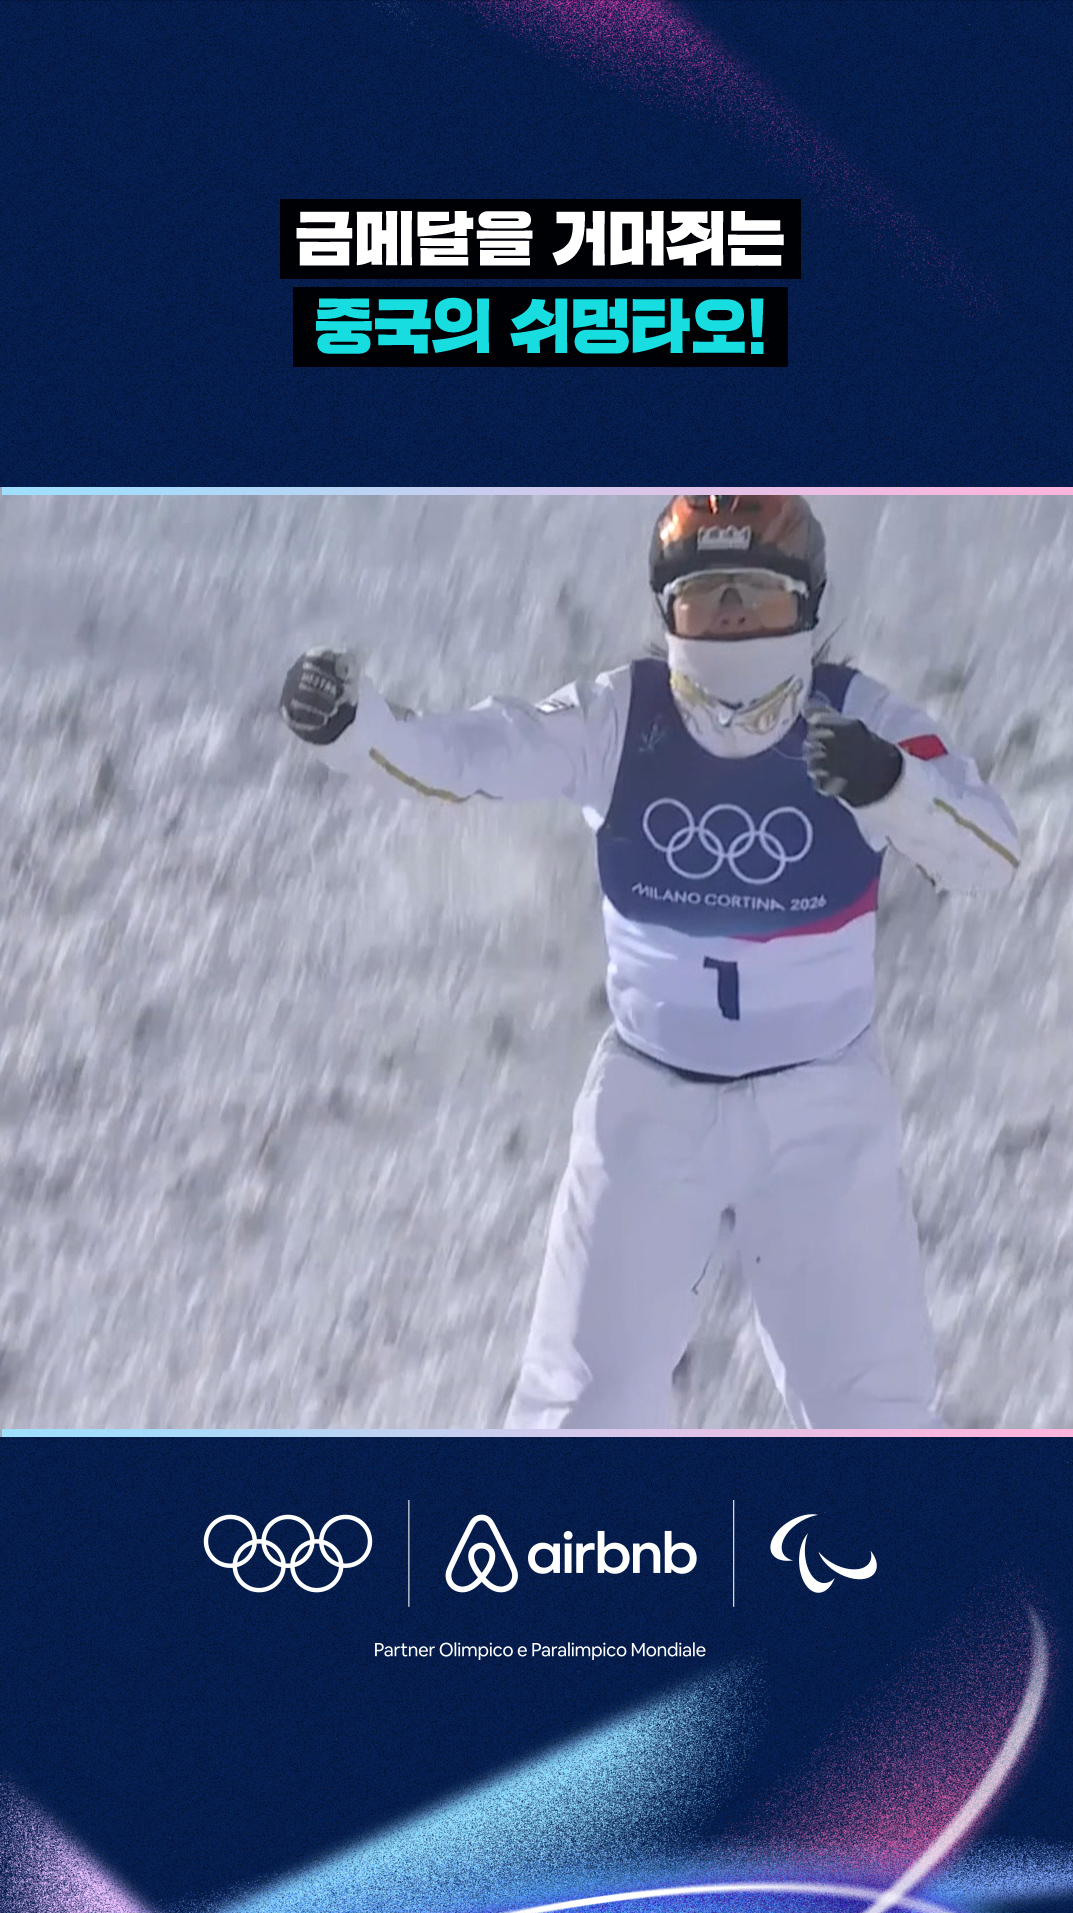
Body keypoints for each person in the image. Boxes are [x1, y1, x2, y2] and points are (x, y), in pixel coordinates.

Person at [279, 495, 1020, 1430]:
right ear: (668, 609)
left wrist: (893, 785)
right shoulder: (620, 717)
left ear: (808, 604)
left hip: (821, 1111)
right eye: (709, 597)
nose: (734, 619)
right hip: (651, 1103)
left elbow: (991, 854)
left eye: (757, 594)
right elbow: (469, 753)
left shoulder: (862, 720)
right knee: (584, 1406)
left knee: (872, 1413)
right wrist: (355, 729)